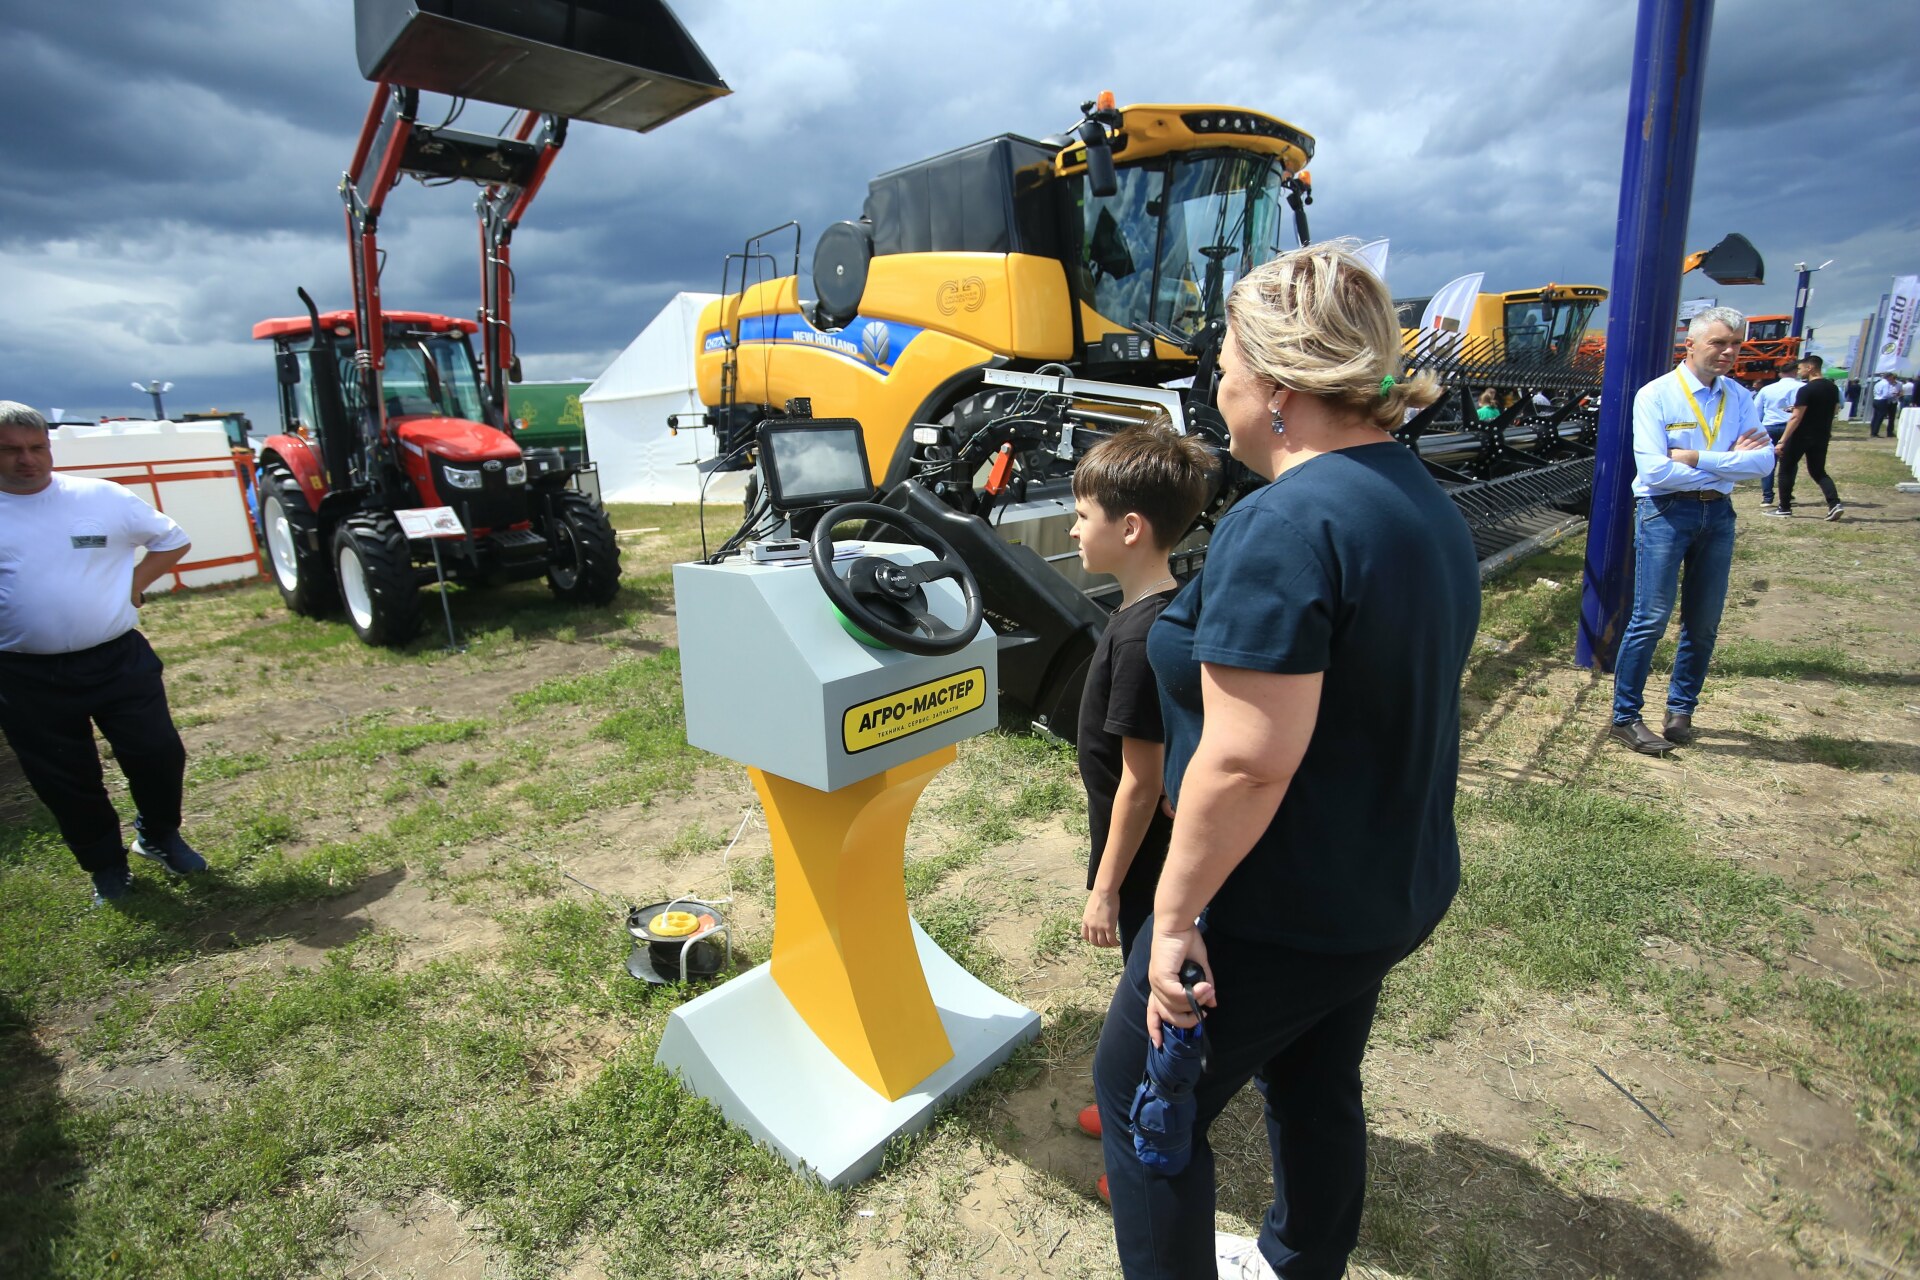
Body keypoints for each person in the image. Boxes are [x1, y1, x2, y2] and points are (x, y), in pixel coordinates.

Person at [1090, 243, 1480, 1280]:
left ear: (1275, 386)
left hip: (1271, 908)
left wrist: (1174, 916)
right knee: (1313, 1079)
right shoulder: (1416, 496)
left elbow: (1246, 763)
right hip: (1379, 887)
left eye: (1223, 366)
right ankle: (1302, 1260)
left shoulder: (1286, 521)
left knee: (1141, 1105)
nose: (1214, 388)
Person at [1067, 420, 1215, 1162]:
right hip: (1156, 849)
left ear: (1129, 529)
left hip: (1149, 865)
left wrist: (1104, 888)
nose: (1072, 529)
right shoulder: (1162, 610)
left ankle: (1148, 1136)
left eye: (1081, 516)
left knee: (1155, 992)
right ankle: (1133, 1100)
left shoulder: (1137, 638)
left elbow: (1139, 780)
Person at [0, 401, 207, 906]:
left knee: (157, 753)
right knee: (65, 777)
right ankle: (105, 866)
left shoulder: (99, 497)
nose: (27, 460)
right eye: (10, 450)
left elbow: (171, 540)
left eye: (36, 447)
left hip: (117, 659)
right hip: (25, 674)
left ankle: (158, 835)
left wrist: (134, 585)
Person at [1608, 308, 1774, 755]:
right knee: (1651, 618)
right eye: (1719, 342)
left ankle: (1681, 710)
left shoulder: (1738, 396)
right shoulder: (1657, 396)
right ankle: (1625, 717)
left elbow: (1763, 463)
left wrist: (1696, 458)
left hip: (1717, 514)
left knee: (1703, 622)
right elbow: (1655, 472)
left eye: (1736, 344)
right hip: (1665, 512)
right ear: (1691, 345)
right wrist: (1730, 464)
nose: (1729, 352)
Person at [1767, 353, 1844, 521]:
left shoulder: (1806, 389)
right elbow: (1834, 409)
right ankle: (1834, 503)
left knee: (1786, 469)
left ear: (1810, 368)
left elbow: (1796, 417)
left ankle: (1784, 507)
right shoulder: (1832, 388)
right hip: (1822, 434)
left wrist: (1782, 441)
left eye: (1801, 368)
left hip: (1801, 435)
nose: (1799, 372)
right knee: (1818, 471)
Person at [1751, 358, 1803, 509]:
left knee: (1769, 462)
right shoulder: (1802, 387)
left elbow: (1757, 410)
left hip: (1770, 426)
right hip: (1792, 426)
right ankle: (1787, 495)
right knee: (1789, 463)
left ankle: (1767, 497)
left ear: (1780, 373)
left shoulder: (1767, 389)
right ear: (1795, 372)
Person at [1869, 371, 1900, 438]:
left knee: (1875, 417)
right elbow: (1885, 394)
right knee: (1880, 417)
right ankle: (1875, 432)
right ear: (1889, 377)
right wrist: (1893, 395)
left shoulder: (1878, 383)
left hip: (1876, 399)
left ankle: (1873, 431)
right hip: (1882, 401)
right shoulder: (1886, 384)